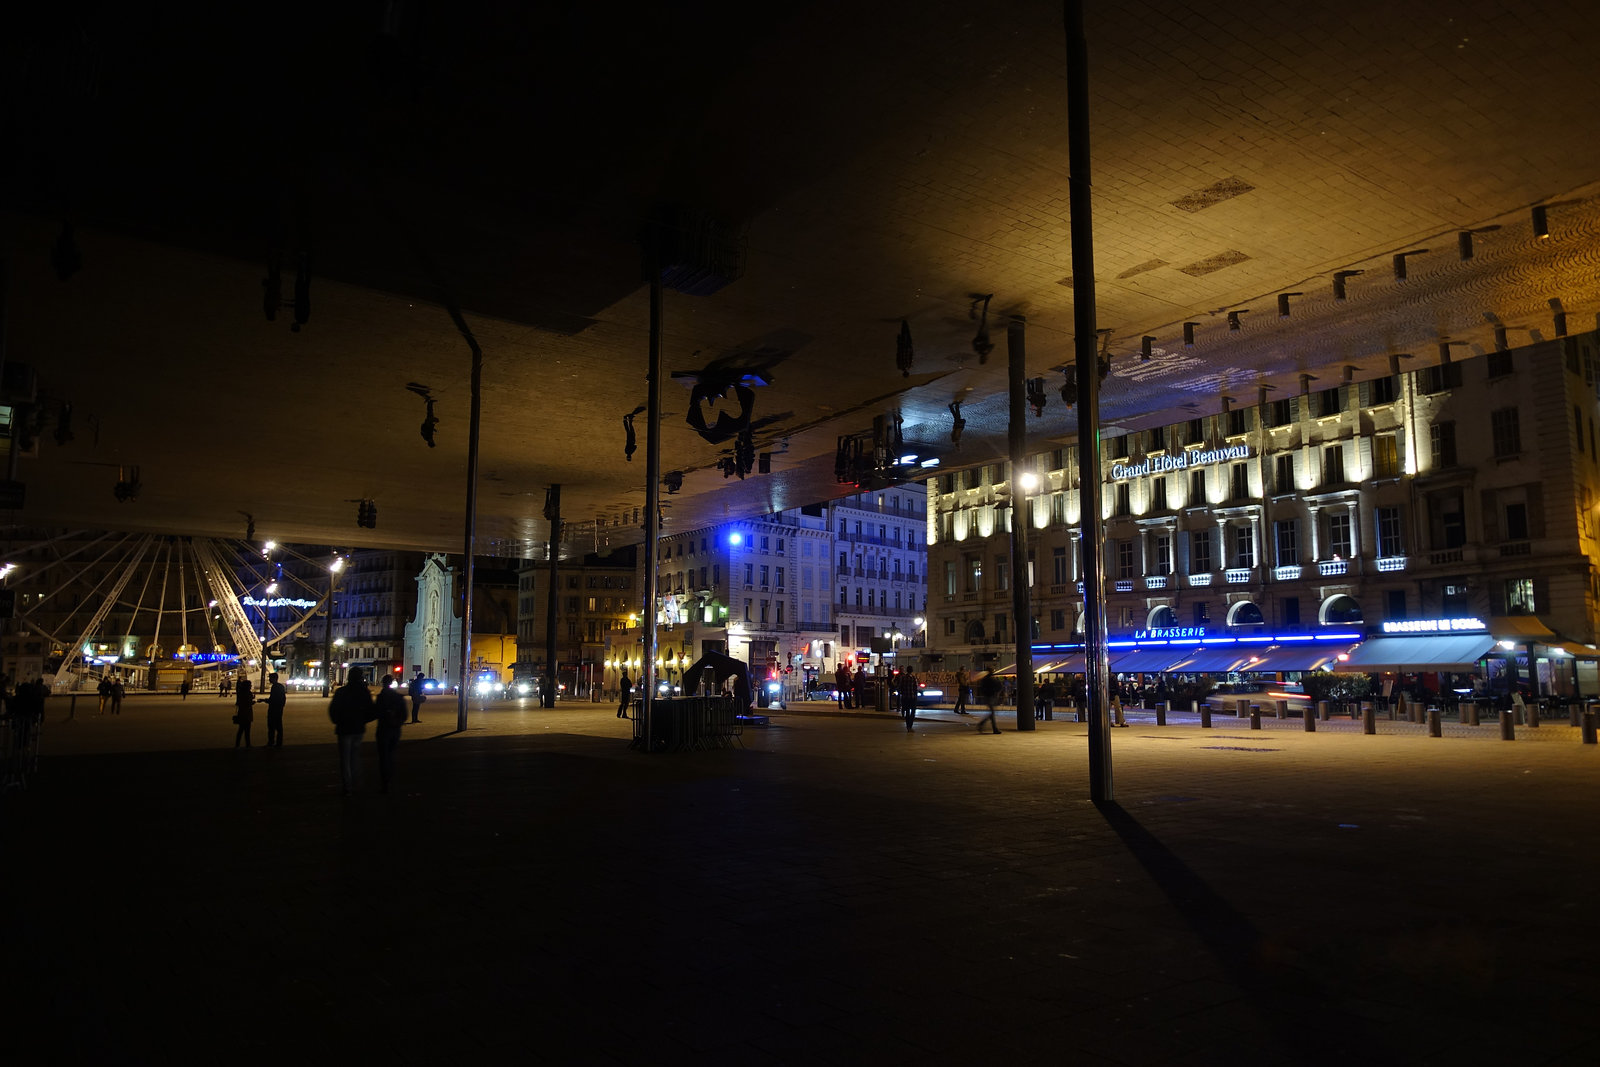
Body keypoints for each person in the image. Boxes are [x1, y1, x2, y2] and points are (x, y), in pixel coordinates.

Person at [329, 668, 375, 796]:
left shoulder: (341, 692)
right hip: (358, 729)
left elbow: (333, 710)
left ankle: (347, 786)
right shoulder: (364, 692)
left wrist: (338, 721)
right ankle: (356, 783)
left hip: (344, 729)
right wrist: (362, 720)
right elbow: (371, 711)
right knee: (354, 756)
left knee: (345, 759)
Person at [373, 674, 407, 793]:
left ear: (383, 683)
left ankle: (385, 780)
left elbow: (375, 713)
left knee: (383, 756)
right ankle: (390, 776)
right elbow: (404, 715)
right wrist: (397, 722)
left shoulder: (381, 697)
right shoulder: (398, 697)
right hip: (395, 730)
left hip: (383, 729)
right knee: (391, 754)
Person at [264, 672, 287, 747]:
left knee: (271, 727)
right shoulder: (281, 686)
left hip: (273, 710)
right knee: (279, 727)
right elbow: (283, 699)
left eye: (270, 678)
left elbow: (273, 699)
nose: (269, 679)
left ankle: (271, 742)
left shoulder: (274, 687)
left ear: (274, 678)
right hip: (279, 710)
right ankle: (279, 742)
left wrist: (264, 700)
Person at [976, 669, 1003, 735]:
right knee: (992, 713)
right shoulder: (992, 679)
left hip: (987, 697)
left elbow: (981, 688)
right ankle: (991, 728)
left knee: (992, 713)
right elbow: (999, 686)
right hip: (991, 696)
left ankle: (983, 725)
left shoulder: (985, 679)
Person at [233, 676, 255, 748]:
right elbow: (248, 703)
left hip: (241, 713)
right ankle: (248, 744)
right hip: (247, 714)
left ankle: (237, 744)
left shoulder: (240, 692)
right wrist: (252, 701)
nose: (251, 686)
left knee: (240, 730)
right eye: (250, 685)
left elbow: (240, 703)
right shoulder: (248, 693)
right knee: (247, 731)